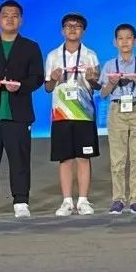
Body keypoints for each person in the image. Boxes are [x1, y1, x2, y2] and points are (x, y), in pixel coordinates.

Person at [0, 0, 44, 219]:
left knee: (20, 161)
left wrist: (20, 86)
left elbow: (37, 77)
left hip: (19, 114)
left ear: (21, 20)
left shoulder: (30, 47)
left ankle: (21, 202)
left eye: (14, 16)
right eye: (5, 15)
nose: (10, 19)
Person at [45, 13, 101, 217]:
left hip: (84, 114)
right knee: (65, 159)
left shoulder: (90, 55)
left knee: (84, 158)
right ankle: (67, 201)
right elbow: (48, 88)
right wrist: (52, 79)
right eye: (68, 26)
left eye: (77, 26)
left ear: (83, 31)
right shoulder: (53, 56)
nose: (72, 29)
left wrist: (93, 79)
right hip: (61, 114)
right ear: (62, 30)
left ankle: (83, 200)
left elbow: (97, 85)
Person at [99, 23, 136, 215]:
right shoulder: (109, 65)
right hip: (117, 110)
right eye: (120, 38)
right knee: (118, 158)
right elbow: (103, 94)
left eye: (128, 38)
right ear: (115, 42)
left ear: (135, 41)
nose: (125, 42)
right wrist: (111, 84)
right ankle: (118, 199)